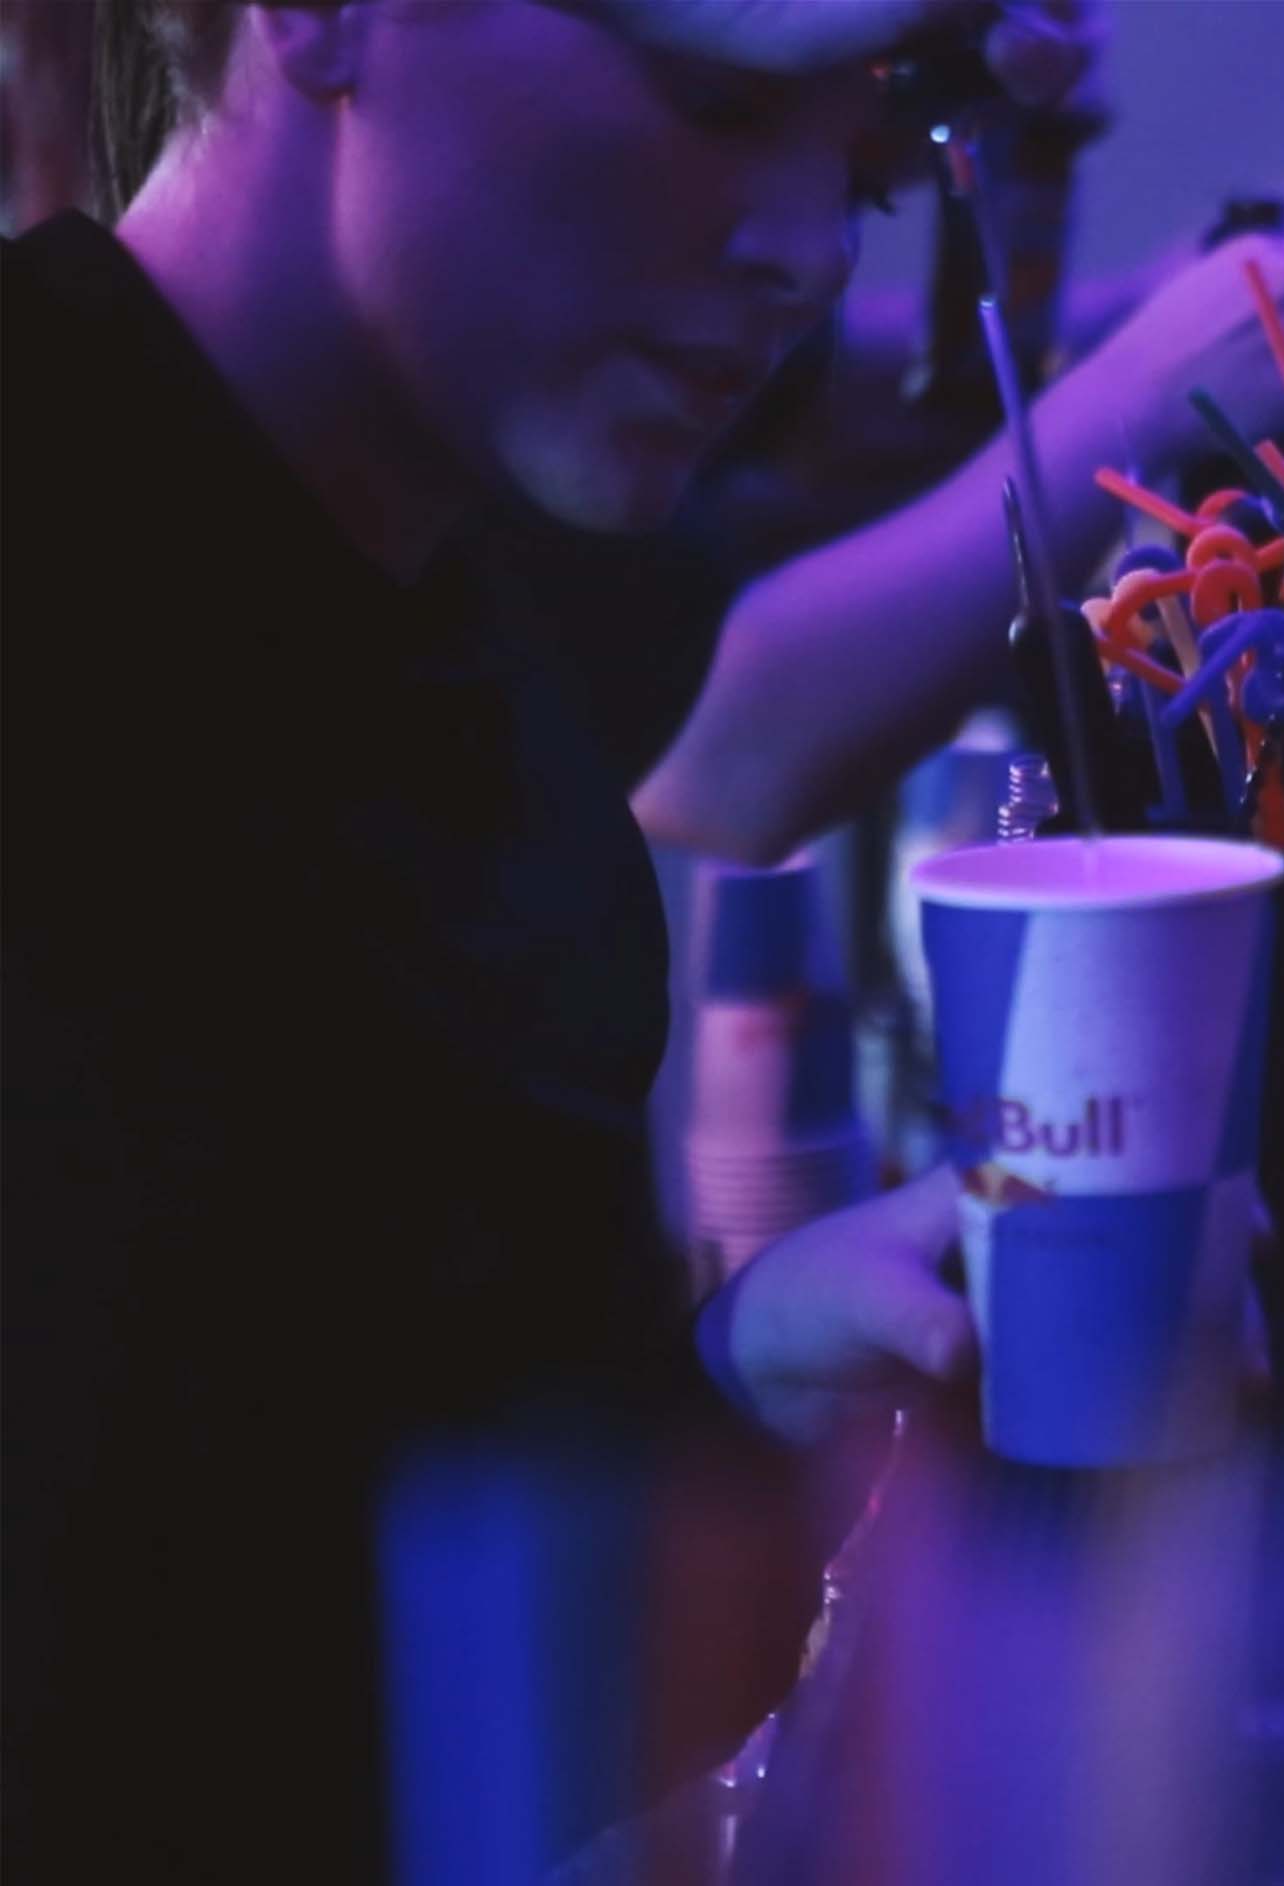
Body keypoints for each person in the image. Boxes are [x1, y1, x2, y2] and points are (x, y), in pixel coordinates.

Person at [0, 2, 1107, 1873]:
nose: (810, 252)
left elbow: (327, 1679)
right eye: (717, 98)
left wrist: (750, 1377)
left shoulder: (479, 666)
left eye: (859, 163)